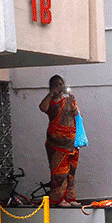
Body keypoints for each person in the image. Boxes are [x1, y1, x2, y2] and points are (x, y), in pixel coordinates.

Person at [39, 75, 81, 206]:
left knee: (70, 173)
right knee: (59, 173)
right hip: (56, 144)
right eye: (56, 84)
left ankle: (70, 198)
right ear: (51, 87)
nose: (60, 87)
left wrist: (73, 103)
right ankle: (58, 199)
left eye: (61, 84)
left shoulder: (68, 101)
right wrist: (51, 94)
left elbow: (76, 114)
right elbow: (42, 108)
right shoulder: (50, 102)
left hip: (71, 144)